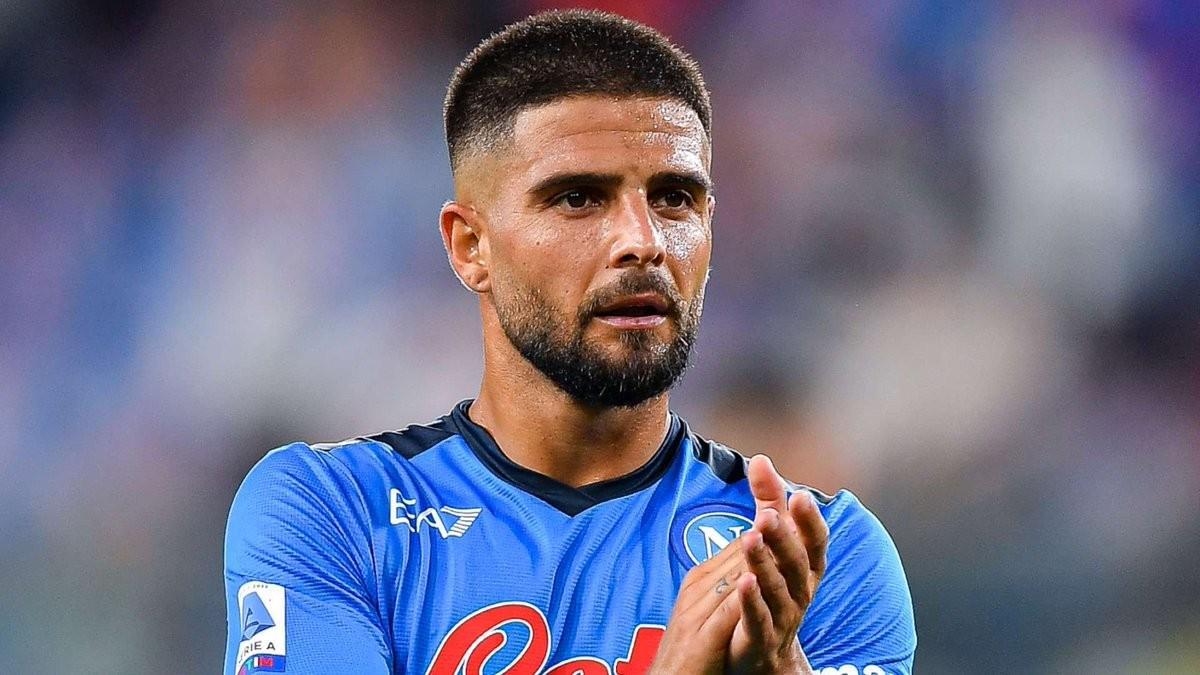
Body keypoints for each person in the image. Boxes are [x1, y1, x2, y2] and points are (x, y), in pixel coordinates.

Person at [224, 10, 915, 674]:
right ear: (470, 246)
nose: (643, 240)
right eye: (578, 198)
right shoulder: (334, 511)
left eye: (675, 198)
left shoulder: (821, 559)